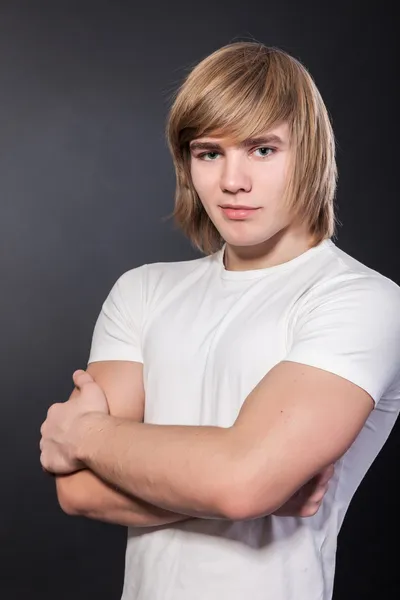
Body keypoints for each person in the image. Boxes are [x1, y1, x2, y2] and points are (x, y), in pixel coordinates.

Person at [39, 42, 400, 600]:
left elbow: (240, 482)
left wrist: (84, 433)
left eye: (262, 149)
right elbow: (80, 491)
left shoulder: (363, 300)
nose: (233, 181)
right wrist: (257, 490)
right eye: (209, 152)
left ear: (310, 153)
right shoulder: (143, 290)